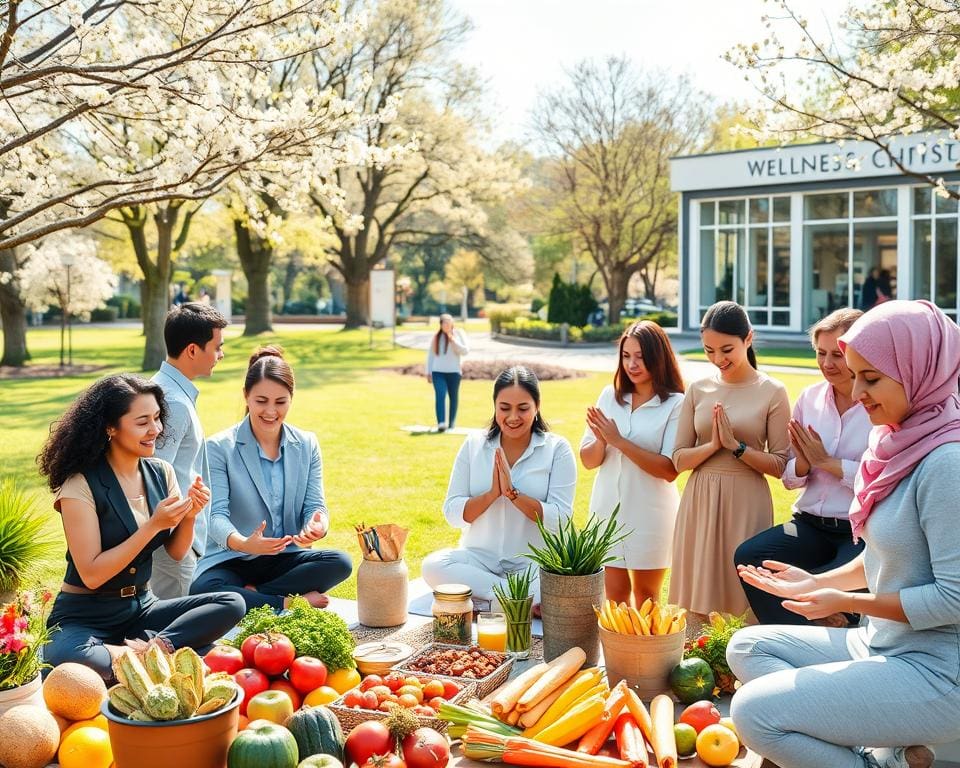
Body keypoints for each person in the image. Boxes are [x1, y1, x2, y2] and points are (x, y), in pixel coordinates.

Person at [727, 300, 960, 768]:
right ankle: (886, 751)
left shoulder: (945, 463)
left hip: (937, 671)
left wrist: (846, 603)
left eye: (870, 378)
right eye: (853, 376)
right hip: (880, 642)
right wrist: (821, 583)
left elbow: (953, 599)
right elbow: (880, 554)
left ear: (921, 369)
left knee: (752, 713)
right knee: (748, 645)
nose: (857, 391)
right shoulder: (894, 440)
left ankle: (876, 760)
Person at [36, 375, 245, 682]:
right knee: (69, 660)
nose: (156, 430)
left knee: (230, 603)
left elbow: (175, 553)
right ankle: (144, 658)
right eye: (142, 421)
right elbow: (92, 574)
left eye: (158, 418)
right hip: (85, 616)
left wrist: (189, 515)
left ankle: (152, 649)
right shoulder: (79, 484)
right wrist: (152, 526)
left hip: (141, 609)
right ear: (110, 427)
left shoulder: (162, 472)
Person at [735, 308, 871, 626]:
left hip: (859, 533)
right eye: (820, 353)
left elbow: (884, 479)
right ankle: (798, 635)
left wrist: (830, 464)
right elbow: (790, 480)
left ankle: (841, 630)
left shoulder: (876, 403)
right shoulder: (809, 399)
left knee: (832, 582)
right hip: (808, 524)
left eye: (837, 354)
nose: (826, 363)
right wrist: (806, 463)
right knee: (750, 557)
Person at [190, 346, 352, 612]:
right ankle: (285, 602)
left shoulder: (307, 443)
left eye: (280, 402)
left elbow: (315, 506)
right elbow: (215, 517)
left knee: (341, 562)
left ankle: (254, 597)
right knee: (203, 588)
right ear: (246, 396)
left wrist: (318, 523)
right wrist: (244, 542)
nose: (270, 411)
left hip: (284, 559)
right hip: (233, 558)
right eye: (261, 401)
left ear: (291, 399)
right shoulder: (219, 447)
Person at [669, 301, 790, 621]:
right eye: (709, 350)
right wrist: (713, 446)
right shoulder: (698, 389)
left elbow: (780, 464)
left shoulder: (772, 391)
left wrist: (737, 448)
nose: (718, 359)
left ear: (748, 339)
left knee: (743, 587)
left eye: (726, 349)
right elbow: (679, 459)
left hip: (747, 501)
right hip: (700, 499)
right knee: (697, 590)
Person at [421, 365, 577, 610]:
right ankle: (512, 598)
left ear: (537, 406)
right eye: (505, 408)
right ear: (494, 406)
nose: (513, 417)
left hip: (532, 566)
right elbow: (452, 513)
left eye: (523, 408)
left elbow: (561, 519)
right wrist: (492, 495)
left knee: (562, 581)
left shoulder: (556, 449)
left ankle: (489, 598)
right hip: (479, 560)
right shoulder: (474, 445)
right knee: (432, 566)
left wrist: (513, 495)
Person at [579, 320, 684, 606]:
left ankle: (650, 653)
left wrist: (619, 440)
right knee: (614, 599)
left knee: (647, 598)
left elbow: (669, 469)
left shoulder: (676, 403)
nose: (632, 364)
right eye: (626, 356)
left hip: (651, 515)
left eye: (640, 356)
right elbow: (588, 461)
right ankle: (618, 653)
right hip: (606, 512)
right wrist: (602, 439)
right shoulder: (609, 396)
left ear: (657, 357)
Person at [150, 302, 227, 598]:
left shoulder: (169, 392)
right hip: (172, 548)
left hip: (180, 541)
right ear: (193, 350)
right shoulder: (173, 403)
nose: (221, 354)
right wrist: (182, 538)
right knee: (170, 637)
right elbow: (154, 480)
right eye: (217, 347)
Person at [426, 313, 469, 432]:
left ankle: (451, 423)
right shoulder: (436, 337)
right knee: (440, 395)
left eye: (449, 323)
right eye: (444, 323)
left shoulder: (459, 333)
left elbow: (465, 351)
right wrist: (428, 371)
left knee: (453, 397)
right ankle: (441, 423)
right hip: (438, 372)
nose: (447, 325)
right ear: (440, 325)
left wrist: (453, 340)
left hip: (454, 372)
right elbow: (431, 355)